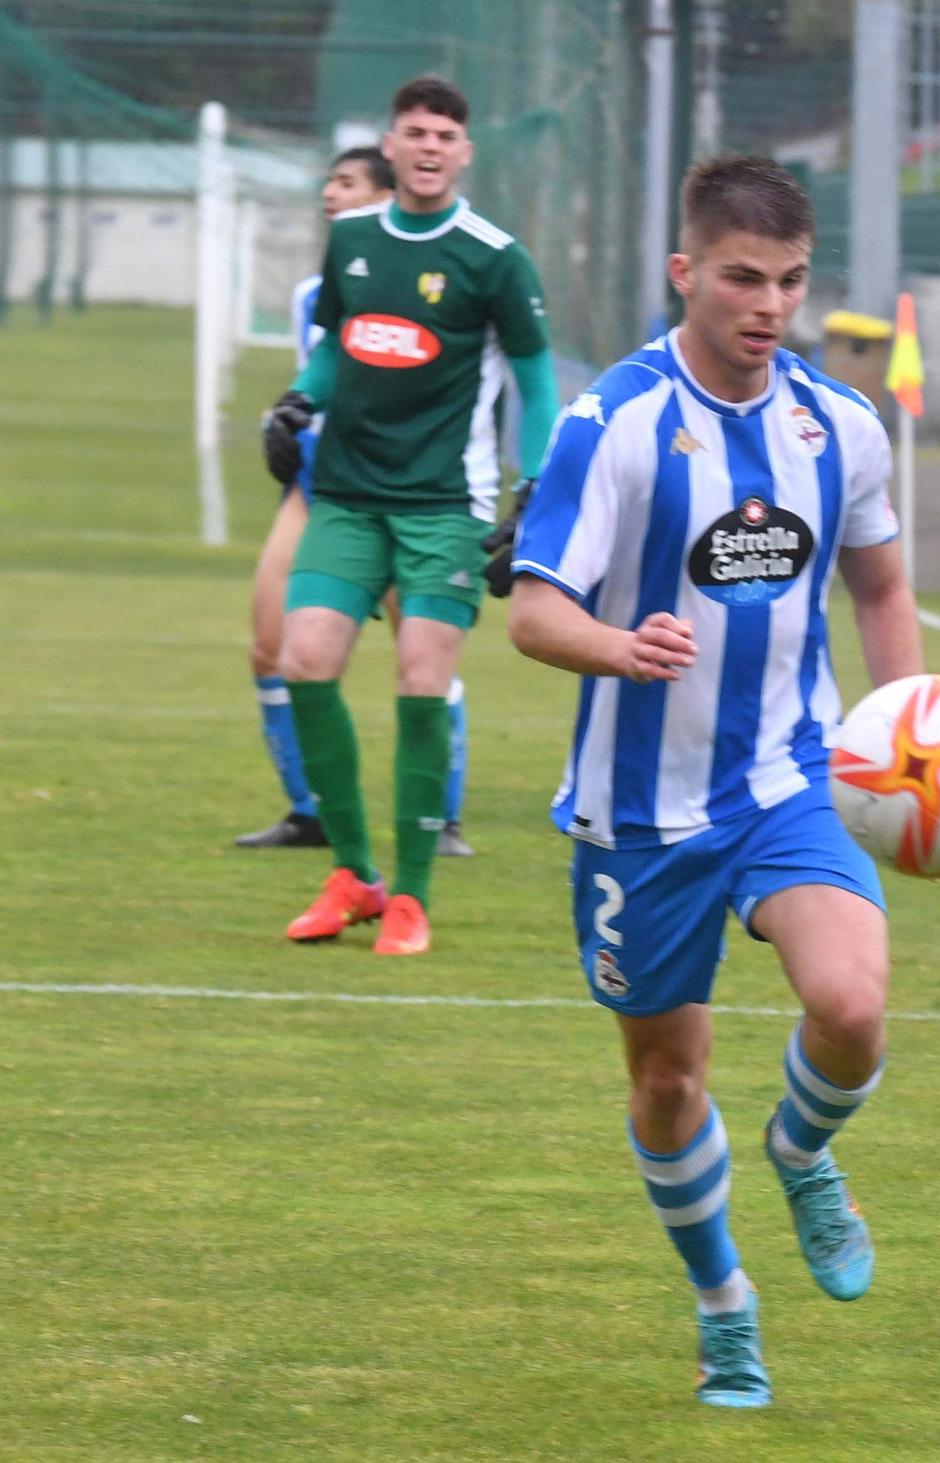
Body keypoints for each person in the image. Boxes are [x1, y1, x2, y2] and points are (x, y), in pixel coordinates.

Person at [497, 155, 922, 1409]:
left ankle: (801, 1154)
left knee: (850, 1001)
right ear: (685, 271)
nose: (768, 304)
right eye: (742, 277)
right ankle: (722, 1301)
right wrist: (618, 645)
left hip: (792, 776)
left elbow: (881, 585)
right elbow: (530, 612)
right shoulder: (612, 423)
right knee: (667, 1079)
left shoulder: (837, 423)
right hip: (636, 815)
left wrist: (905, 733)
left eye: (789, 281)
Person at [261, 75, 559, 954]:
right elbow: (335, 351)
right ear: (388, 146)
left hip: (444, 503)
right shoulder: (350, 237)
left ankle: (413, 898)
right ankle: (354, 873)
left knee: (422, 679)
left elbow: (537, 380)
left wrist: (533, 484)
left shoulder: (495, 256)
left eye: (445, 136)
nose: (429, 147)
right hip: (349, 495)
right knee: (303, 660)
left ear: (464, 153)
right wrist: (295, 403)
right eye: (415, 132)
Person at [236, 147, 474, 859]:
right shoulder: (315, 289)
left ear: (382, 195)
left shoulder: (443, 279)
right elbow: (318, 380)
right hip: (317, 491)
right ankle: (311, 813)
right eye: (328, 180)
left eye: (345, 182)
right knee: (269, 646)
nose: (328, 193)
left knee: (422, 655)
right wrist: (284, 419)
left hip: (403, 491)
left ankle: (442, 819)